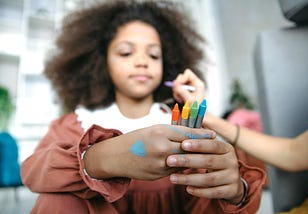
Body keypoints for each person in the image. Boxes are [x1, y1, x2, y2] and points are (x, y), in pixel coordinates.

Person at [20, 1, 265, 213]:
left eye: (154, 55)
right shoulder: (74, 125)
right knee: (58, 197)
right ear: (101, 62)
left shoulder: (181, 125)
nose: (141, 62)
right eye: (126, 53)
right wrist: (97, 159)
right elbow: (33, 173)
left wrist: (235, 192)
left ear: (167, 65)